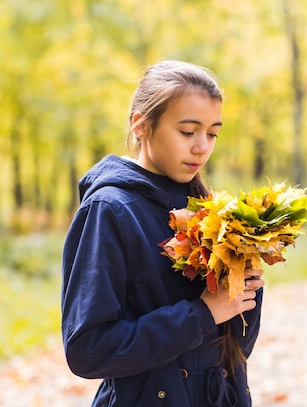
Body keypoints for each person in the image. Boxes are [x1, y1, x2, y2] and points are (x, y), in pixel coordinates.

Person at [61, 60, 265, 407]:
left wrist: (245, 288)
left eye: (212, 133)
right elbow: (87, 350)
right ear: (142, 126)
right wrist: (202, 314)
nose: (202, 146)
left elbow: (233, 347)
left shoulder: (210, 210)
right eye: (188, 131)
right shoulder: (110, 210)